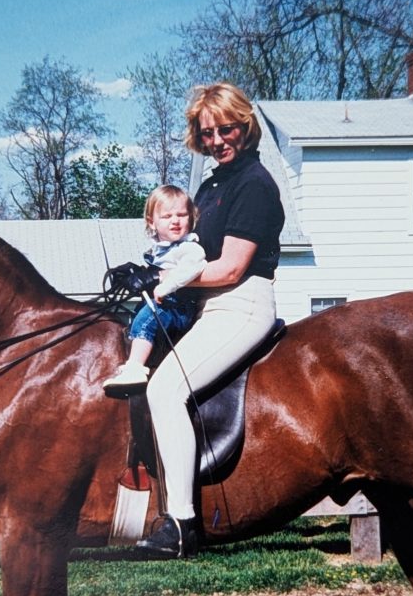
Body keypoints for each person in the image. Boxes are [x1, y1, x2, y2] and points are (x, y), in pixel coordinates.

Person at [136, 82, 285, 559]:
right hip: (206, 307)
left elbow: (231, 268)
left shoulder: (255, 185)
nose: (219, 139)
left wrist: (166, 282)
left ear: (245, 126)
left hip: (241, 303)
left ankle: (180, 523)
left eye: (227, 129)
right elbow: (192, 254)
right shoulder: (211, 186)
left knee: (164, 389)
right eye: (208, 133)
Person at [103, 185, 206, 397]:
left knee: (147, 319)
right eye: (167, 216)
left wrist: (163, 286)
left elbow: (193, 267)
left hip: (178, 308)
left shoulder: (188, 247)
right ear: (152, 222)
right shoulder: (160, 248)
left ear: (191, 218)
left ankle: (135, 368)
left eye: (181, 215)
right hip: (167, 304)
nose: (175, 221)